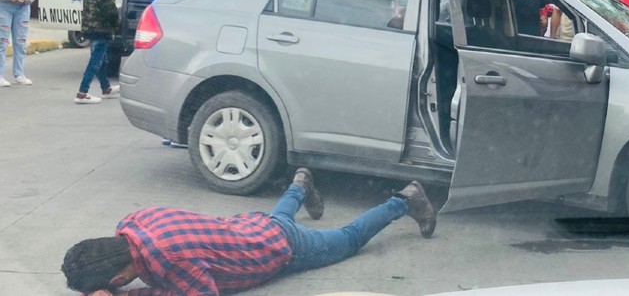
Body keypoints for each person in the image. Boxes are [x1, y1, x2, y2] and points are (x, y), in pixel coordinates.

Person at [60, 169, 438, 296]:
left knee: (349, 239)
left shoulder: (171, 265)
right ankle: (300, 184)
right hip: (249, 227)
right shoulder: (131, 223)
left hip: (284, 250)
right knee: (278, 219)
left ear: (119, 277)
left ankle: (405, 200)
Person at [76, 0, 121, 105]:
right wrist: (117, 24)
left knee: (102, 60)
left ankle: (106, 88)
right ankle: (82, 93)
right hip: (102, 29)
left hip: (91, 28)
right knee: (95, 61)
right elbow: (110, 11)